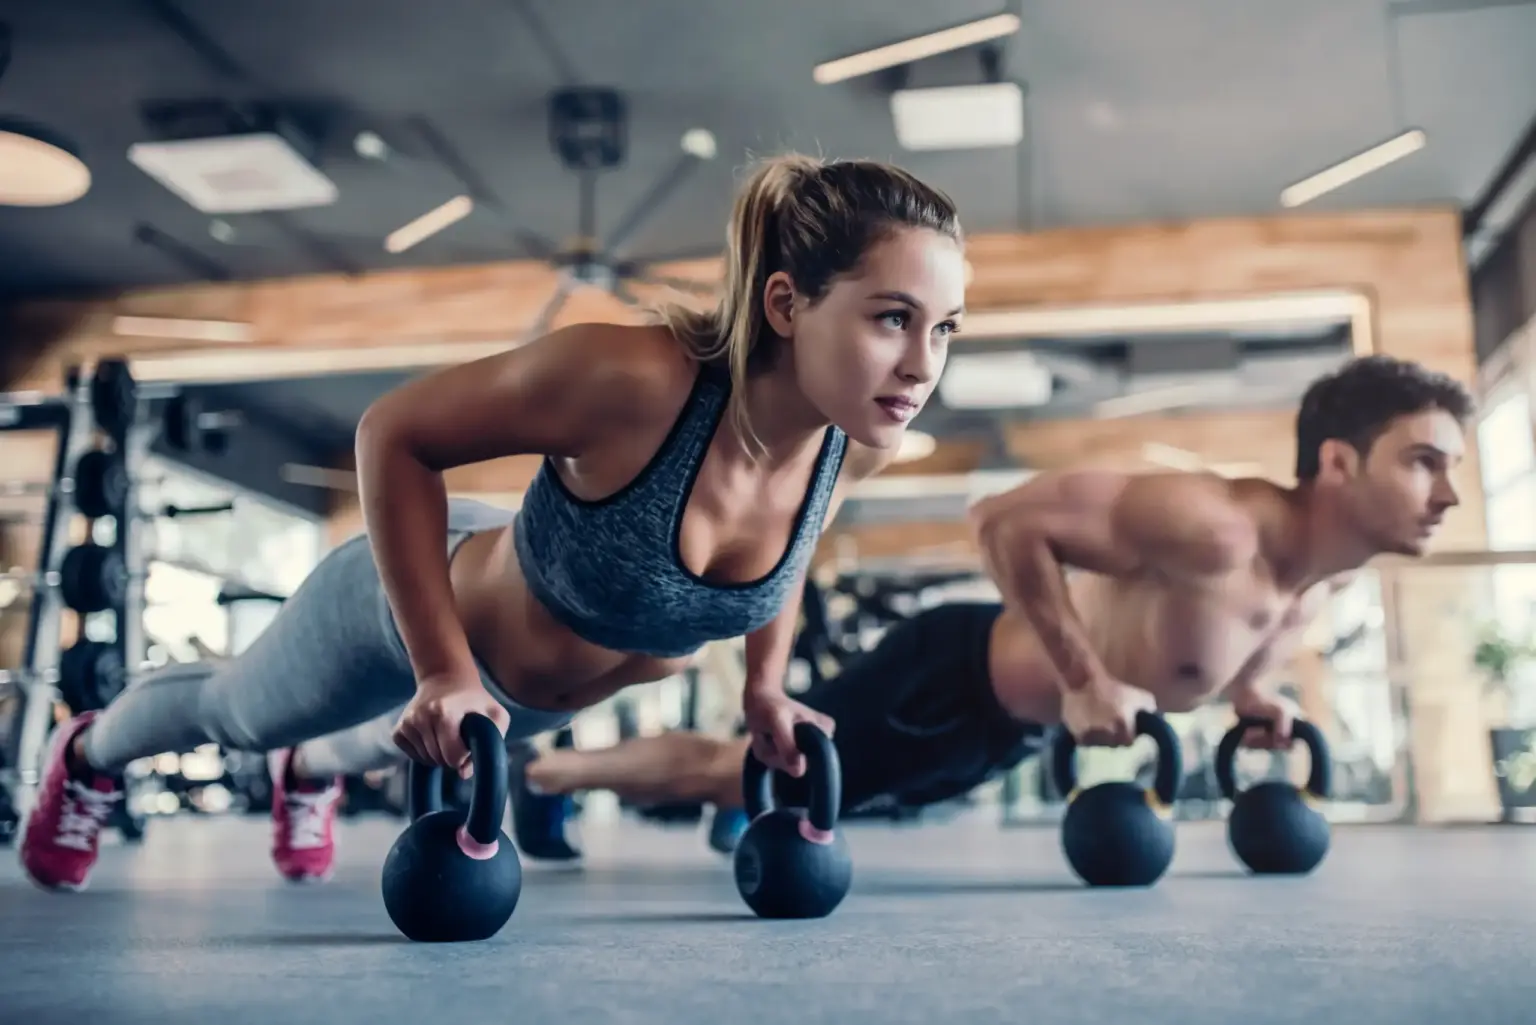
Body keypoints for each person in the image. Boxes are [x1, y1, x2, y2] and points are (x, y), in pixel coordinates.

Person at [19, 153, 968, 891]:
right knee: (236, 716)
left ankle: (312, 773)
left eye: (946, 327)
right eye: (894, 317)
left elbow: (786, 559)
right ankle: (89, 754)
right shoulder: (634, 381)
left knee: (379, 737)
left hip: (511, 700)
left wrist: (765, 687)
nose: (923, 363)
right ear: (786, 304)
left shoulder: (852, 444)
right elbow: (393, 433)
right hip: (416, 604)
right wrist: (441, 668)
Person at [504, 355, 1472, 843]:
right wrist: (1085, 675)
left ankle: (585, 780)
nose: (1451, 494)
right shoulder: (1211, 520)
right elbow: (1003, 517)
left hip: (991, 730)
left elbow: (1230, 633)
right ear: (1339, 463)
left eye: (1457, 468)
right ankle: (545, 777)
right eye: (1425, 461)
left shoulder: (1318, 575)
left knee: (785, 790)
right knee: (735, 771)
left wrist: (1255, 694)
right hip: (951, 676)